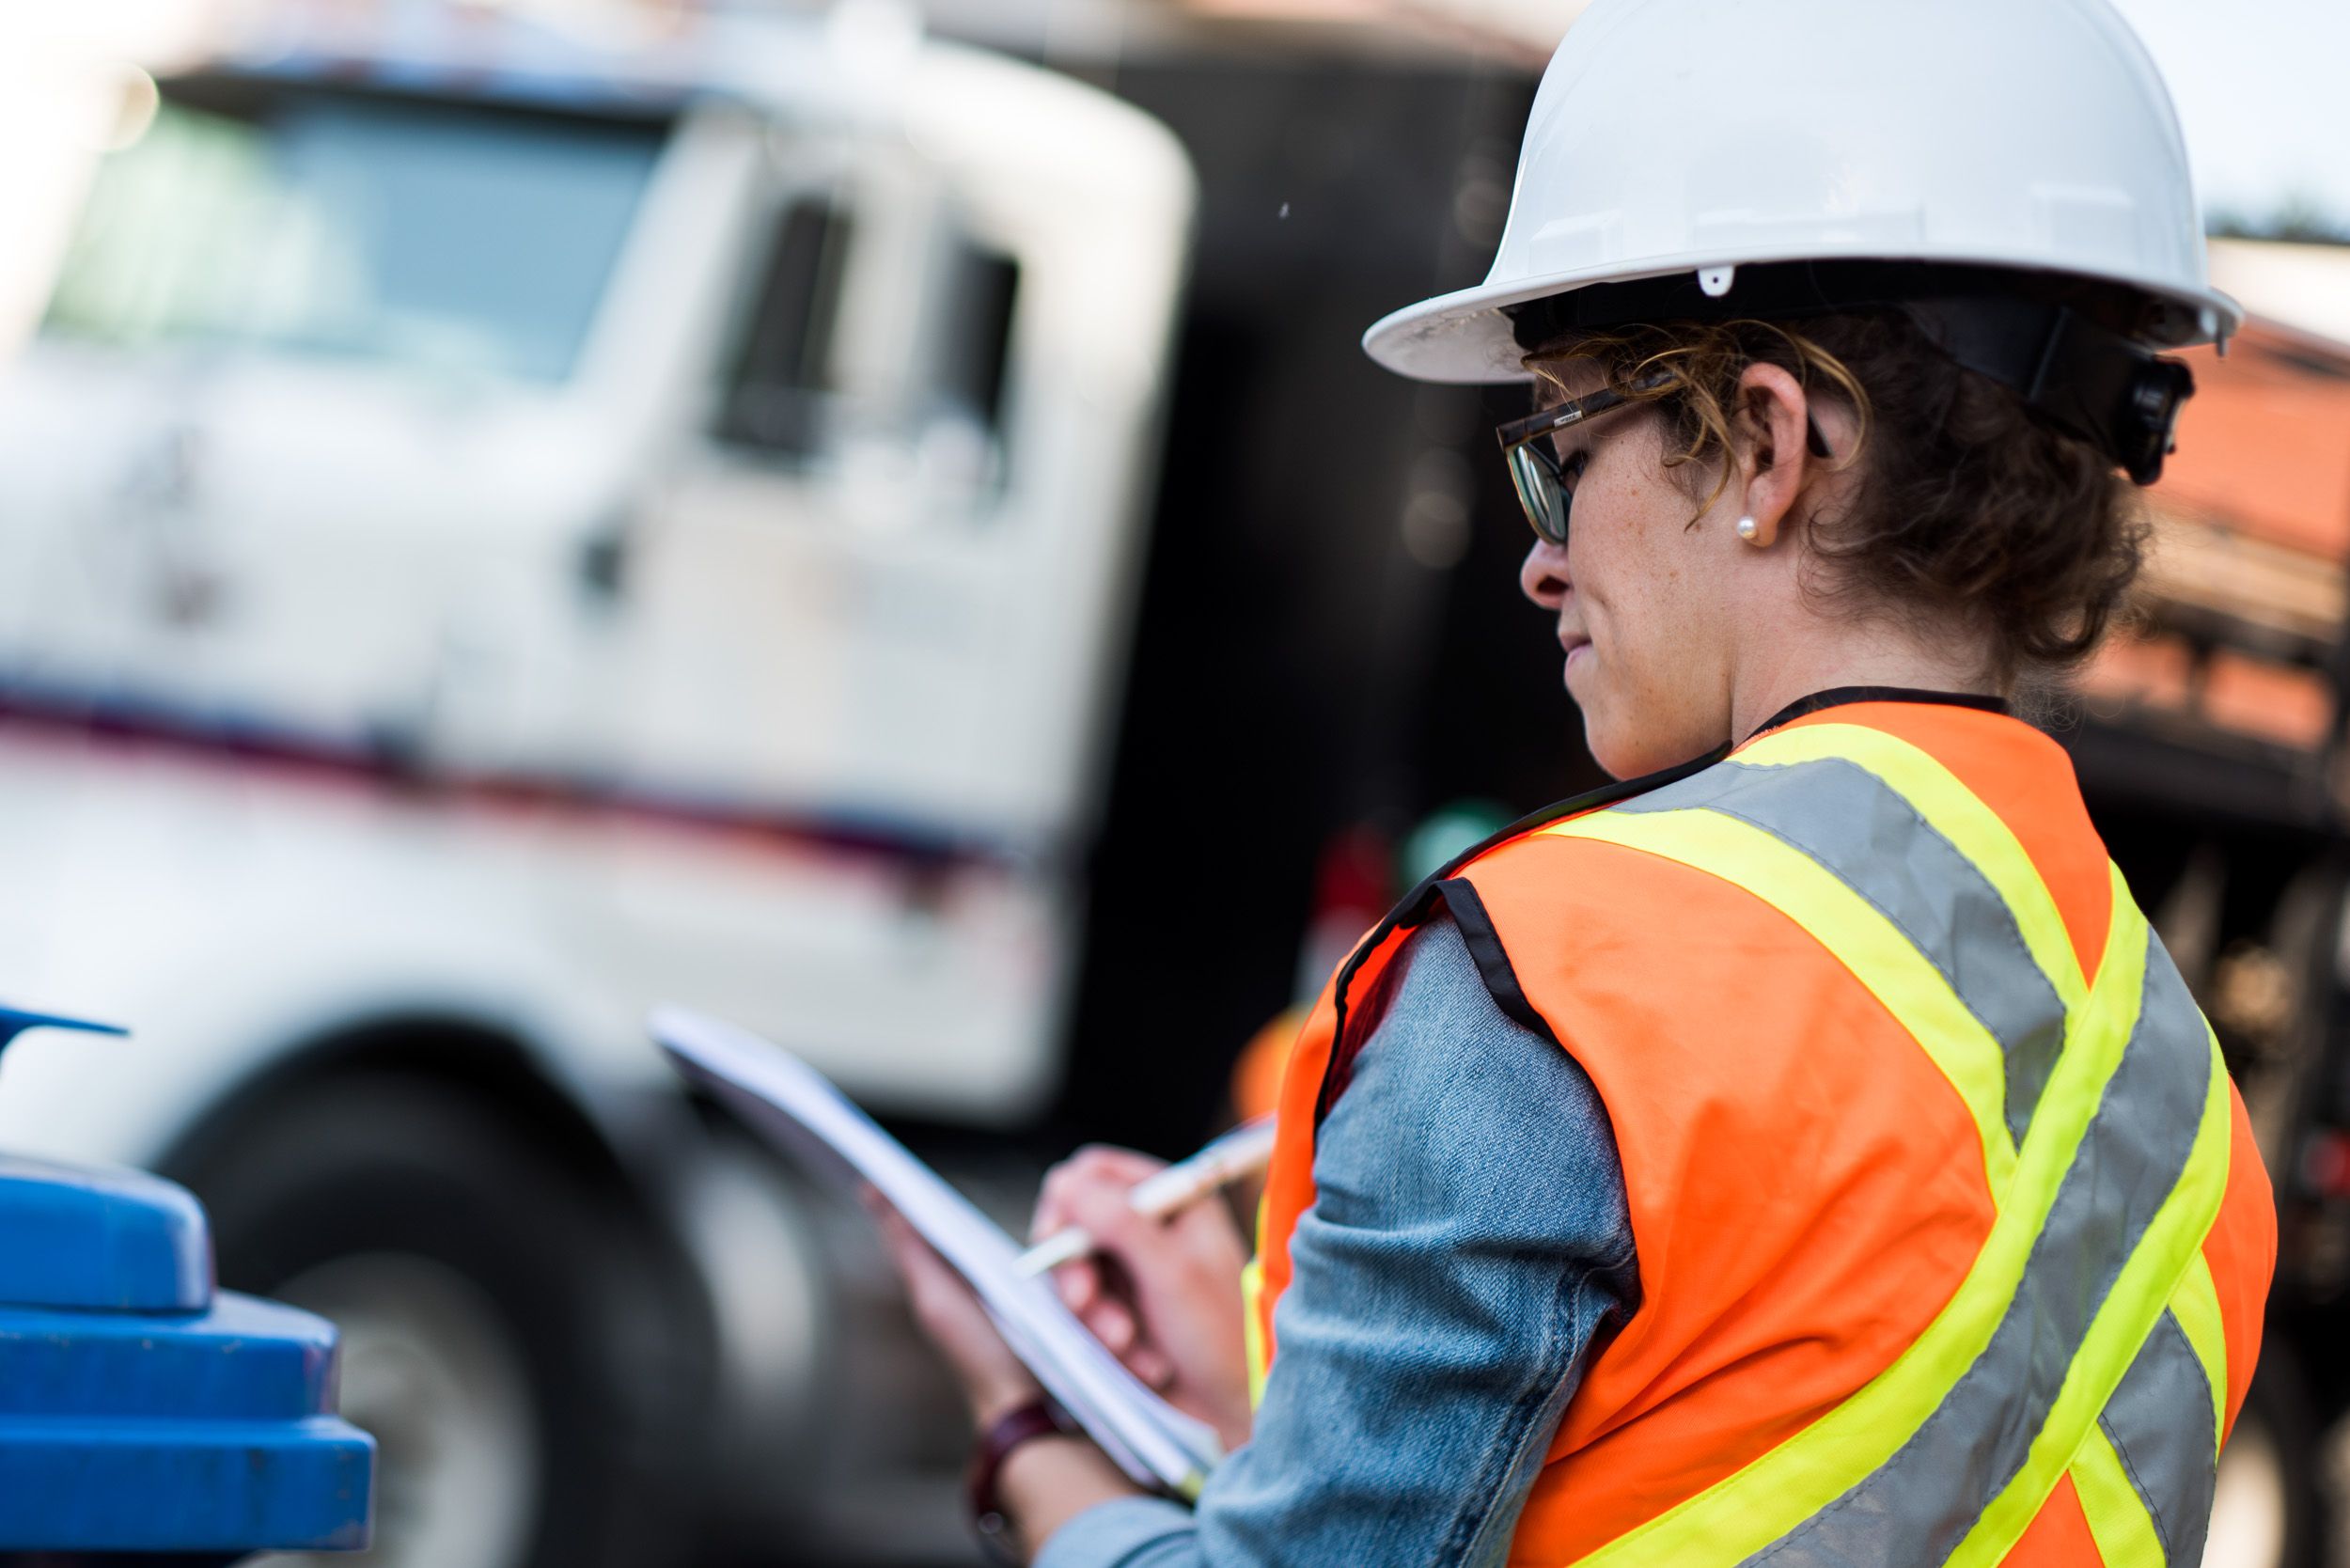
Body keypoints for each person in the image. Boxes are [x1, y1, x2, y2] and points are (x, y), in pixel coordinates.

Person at [875, 0, 2280, 1561]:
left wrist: (1024, 1436)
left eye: (1564, 448)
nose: (1540, 562)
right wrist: (1250, 1422)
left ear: (1763, 444)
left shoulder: (1570, 976)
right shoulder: (2184, 1107)